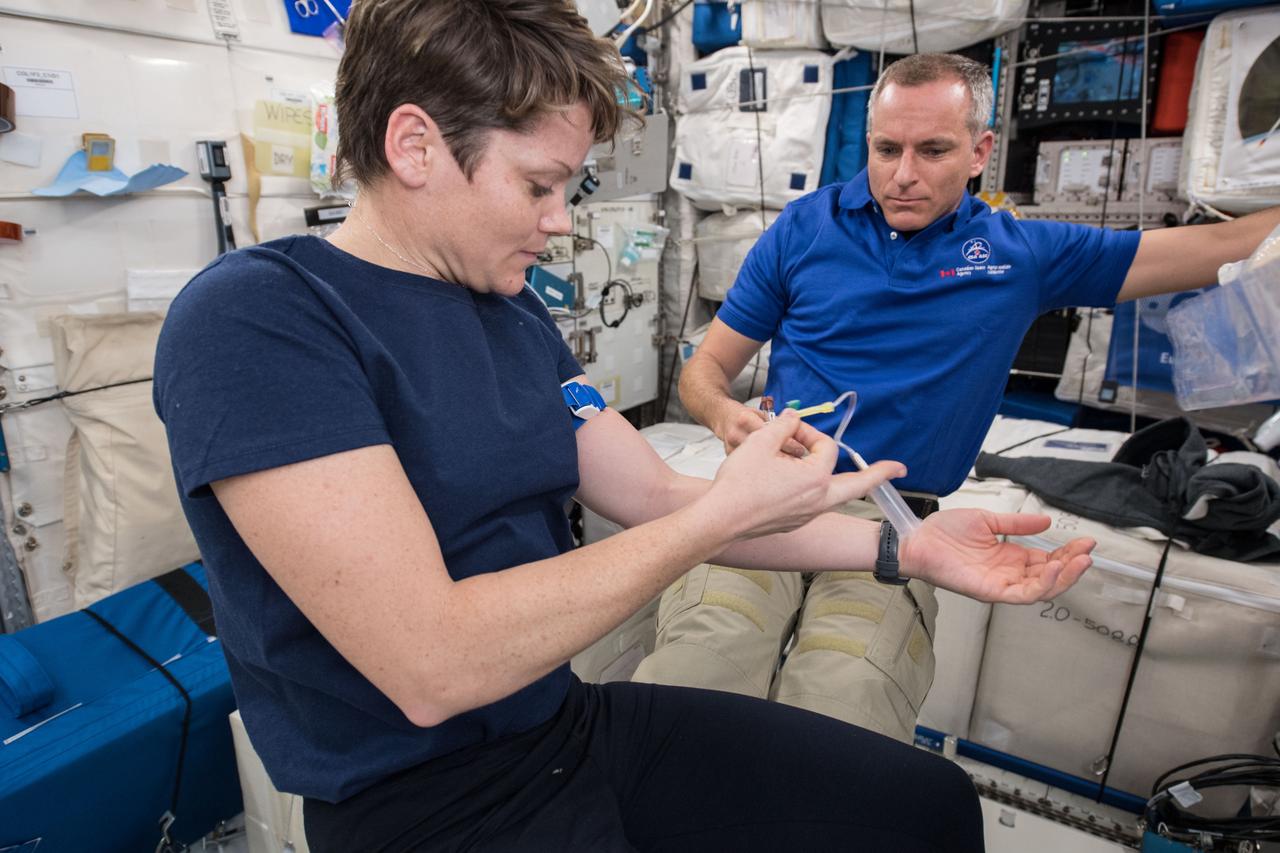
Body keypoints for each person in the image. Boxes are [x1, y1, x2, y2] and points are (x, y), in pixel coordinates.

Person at [154, 10, 1096, 851]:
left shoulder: (509, 310)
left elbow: (652, 495)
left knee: (924, 804)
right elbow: (433, 662)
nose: (560, 222)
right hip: (423, 804)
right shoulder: (261, 318)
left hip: (562, 730)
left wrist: (909, 548)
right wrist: (718, 518)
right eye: (539, 185)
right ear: (415, 145)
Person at [653, 51, 1280, 743]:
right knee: (696, 670)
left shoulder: (1022, 256)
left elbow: (1222, 243)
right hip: (767, 494)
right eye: (886, 149)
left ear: (980, 151)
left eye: (933, 150)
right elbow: (704, 368)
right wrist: (723, 413)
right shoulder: (803, 230)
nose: (903, 174)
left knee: (846, 702)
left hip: (896, 520)